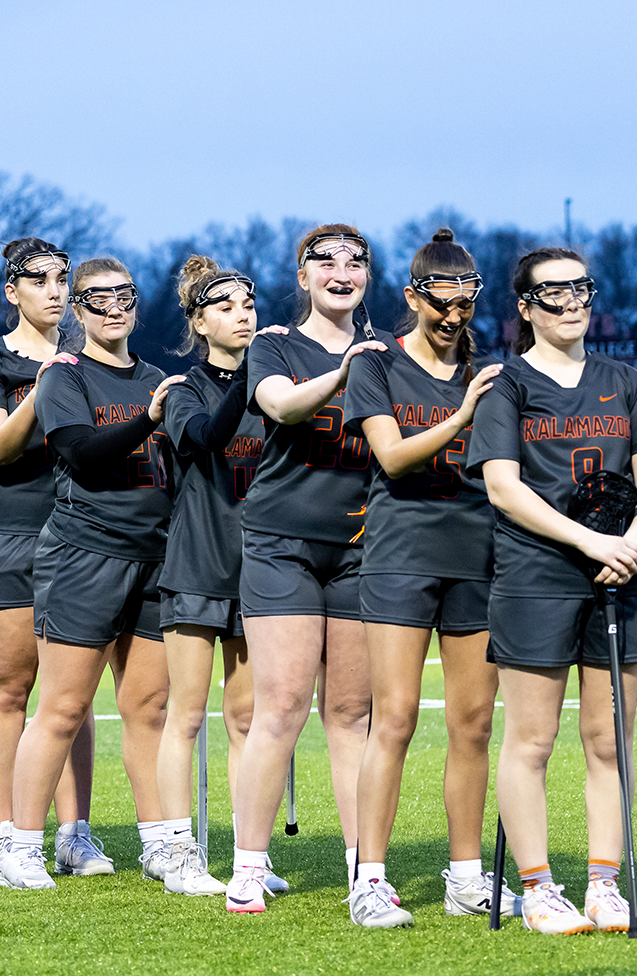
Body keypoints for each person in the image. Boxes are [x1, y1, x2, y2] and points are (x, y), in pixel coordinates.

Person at [466, 247, 637, 935]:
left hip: (624, 574)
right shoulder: (508, 386)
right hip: (537, 576)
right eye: (553, 291)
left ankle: (604, 884)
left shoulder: (625, 380)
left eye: (580, 287)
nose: (572, 301)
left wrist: (632, 543)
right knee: (532, 738)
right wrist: (590, 543)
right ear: (525, 308)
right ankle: (539, 889)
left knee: (610, 740)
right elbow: (502, 487)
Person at [344, 228, 512, 927]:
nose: (451, 321)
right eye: (439, 306)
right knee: (397, 718)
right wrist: (465, 413)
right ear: (413, 296)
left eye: (463, 308)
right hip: (400, 557)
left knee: (473, 724)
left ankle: (467, 878)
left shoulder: (492, 370)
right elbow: (392, 457)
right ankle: (370, 881)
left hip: (478, 558)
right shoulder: (377, 365)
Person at [1, 258, 182, 891]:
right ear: (77, 310)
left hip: (156, 559)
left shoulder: (159, 378)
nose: (113, 308)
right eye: (97, 299)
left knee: (150, 708)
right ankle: (22, 846)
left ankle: (162, 846)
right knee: (64, 706)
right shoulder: (64, 375)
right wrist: (149, 421)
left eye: (123, 296)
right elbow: (81, 454)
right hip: (84, 555)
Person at [226, 224, 387, 913]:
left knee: (352, 714)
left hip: (361, 547)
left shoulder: (390, 354)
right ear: (303, 277)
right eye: (325, 261)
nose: (340, 271)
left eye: (355, 261)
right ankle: (248, 866)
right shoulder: (273, 346)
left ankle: (365, 873)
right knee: (282, 707)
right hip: (281, 542)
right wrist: (347, 371)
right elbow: (281, 406)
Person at [0, 238, 107, 880]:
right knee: (9, 689)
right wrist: (44, 392)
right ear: (12, 292)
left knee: (71, 697)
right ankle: (0, 837)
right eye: (37, 280)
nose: (53, 290)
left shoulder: (94, 356)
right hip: (10, 534)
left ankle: (74, 833)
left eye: (61, 279)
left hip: (85, 536)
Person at [152, 257, 265, 896]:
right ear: (198, 322)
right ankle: (177, 850)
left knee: (247, 717)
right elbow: (210, 438)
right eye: (223, 306)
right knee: (186, 714)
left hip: (260, 571)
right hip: (198, 563)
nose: (240, 314)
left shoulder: (273, 384)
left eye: (247, 303)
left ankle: (249, 849)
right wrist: (249, 376)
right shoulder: (185, 389)